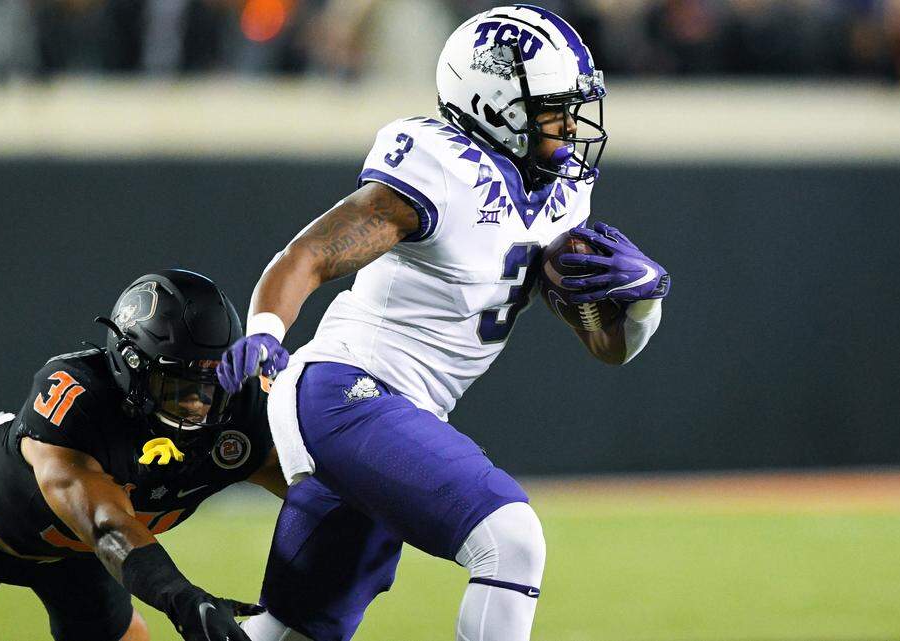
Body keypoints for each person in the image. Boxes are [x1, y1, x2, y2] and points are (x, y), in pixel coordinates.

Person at [215, 5, 672, 641]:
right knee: (510, 540)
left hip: (400, 413)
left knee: (289, 632)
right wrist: (265, 329)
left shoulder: (560, 190)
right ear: (496, 105)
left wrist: (643, 302)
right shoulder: (442, 166)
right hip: (346, 393)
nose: (569, 125)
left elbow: (608, 348)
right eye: (551, 108)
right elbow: (310, 254)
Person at [0, 269, 281, 641]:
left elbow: (321, 490)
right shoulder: (79, 398)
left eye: (211, 385)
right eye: (176, 385)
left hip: (79, 554)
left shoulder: (242, 412)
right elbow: (106, 525)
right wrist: (184, 600)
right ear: (131, 365)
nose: (197, 404)